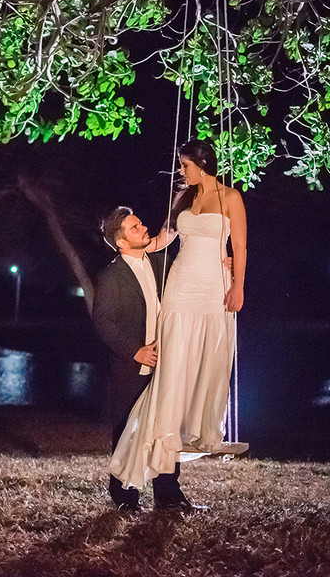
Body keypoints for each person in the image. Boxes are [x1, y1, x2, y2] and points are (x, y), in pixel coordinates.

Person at [109, 139, 247, 494]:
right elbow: (163, 238)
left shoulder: (231, 197)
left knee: (210, 354)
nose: (181, 171)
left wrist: (238, 286)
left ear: (201, 165)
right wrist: (128, 250)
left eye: (185, 165)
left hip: (215, 285)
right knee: (176, 357)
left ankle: (200, 427)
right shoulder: (183, 198)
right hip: (182, 283)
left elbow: (240, 246)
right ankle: (165, 432)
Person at [92, 206, 194, 512]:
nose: (143, 228)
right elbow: (103, 322)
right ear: (122, 242)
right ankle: (124, 497)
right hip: (131, 367)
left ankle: (168, 494)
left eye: (139, 223)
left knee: (167, 428)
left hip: (165, 364)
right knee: (127, 431)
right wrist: (135, 351)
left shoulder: (160, 263)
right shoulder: (111, 276)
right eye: (134, 227)